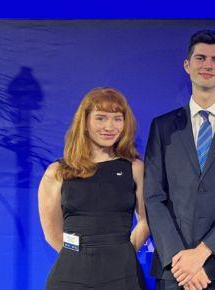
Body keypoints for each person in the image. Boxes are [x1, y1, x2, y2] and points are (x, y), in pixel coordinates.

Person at [144, 30, 215, 290]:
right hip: (174, 268)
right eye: (200, 58)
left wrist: (202, 252)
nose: (208, 65)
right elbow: (153, 197)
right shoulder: (162, 127)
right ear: (187, 65)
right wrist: (180, 258)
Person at [38, 87, 149, 289]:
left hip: (123, 274)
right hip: (71, 273)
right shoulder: (57, 171)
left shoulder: (135, 168)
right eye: (101, 118)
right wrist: (78, 255)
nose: (110, 126)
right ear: (85, 123)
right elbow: (51, 232)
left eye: (117, 118)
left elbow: (145, 220)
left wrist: (122, 251)